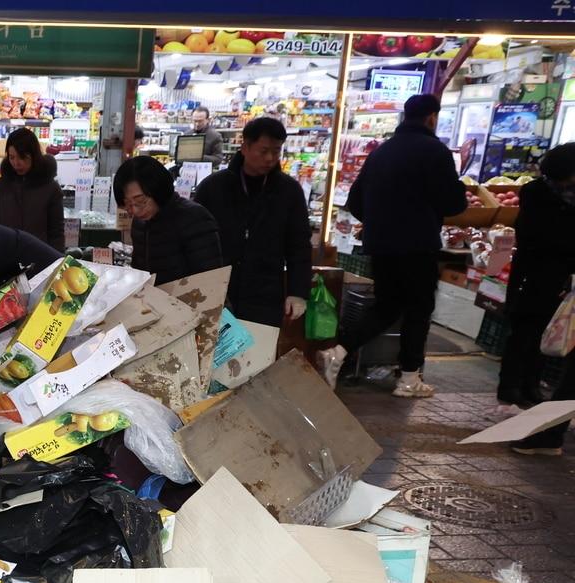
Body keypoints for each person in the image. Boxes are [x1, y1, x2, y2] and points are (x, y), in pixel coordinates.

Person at [325, 94, 467, 398]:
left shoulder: (382, 151)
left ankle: (338, 350)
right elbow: (454, 203)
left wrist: (381, 223)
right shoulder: (435, 151)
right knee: (418, 308)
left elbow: (355, 202)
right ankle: (409, 378)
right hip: (417, 245)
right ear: (432, 117)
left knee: (387, 306)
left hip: (382, 245)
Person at [193, 117, 312, 327]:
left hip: (265, 294)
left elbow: (299, 245)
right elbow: (194, 240)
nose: (270, 158)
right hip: (217, 292)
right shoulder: (213, 187)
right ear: (245, 147)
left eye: (276, 151)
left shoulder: (289, 191)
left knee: (259, 356)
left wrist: (298, 292)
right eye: (264, 150)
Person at [498, 144, 575, 412]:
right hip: (535, 272)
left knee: (548, 331)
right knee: (524, 331)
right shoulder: (536, 193)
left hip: (564, 277)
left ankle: (531, 384)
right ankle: (510, 387)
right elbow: (532, 235)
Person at [114, 155, 223, 284]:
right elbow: (140, 270)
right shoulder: (140, 222)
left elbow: (210, 279)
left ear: (159, 190)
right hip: (152, 301)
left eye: (141, 201)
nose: (135, 211)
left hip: (189, 301)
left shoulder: (194, 218)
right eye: (127, 205)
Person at [0, 127, 65, 251]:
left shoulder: (51, 188)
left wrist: (57, 262)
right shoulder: (1, 186)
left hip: (40, 260)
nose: (16, 163)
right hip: (6, 260)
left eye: (22, 157)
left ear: (34, 155)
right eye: (12, 157)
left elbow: (56, 233)